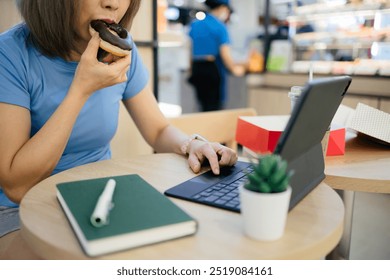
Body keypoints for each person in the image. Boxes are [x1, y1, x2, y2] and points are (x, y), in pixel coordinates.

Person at [0, 0, 238, 237]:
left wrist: (191, 144)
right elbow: (17, 187)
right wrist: (80, 90)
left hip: (100, 197)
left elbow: (157, 130)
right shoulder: (10, 53)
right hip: (19, 211)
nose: (113, 4)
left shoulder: (119, 48)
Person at [188, 0, 246, 112]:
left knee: (202, 105)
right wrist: (234, 69)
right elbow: (225, 54)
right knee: (213, 107)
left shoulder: (195, 25)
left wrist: (191, 70)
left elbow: (190, 51)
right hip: (211, 69)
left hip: (197, 68)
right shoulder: (220, 27)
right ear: (223, 8)